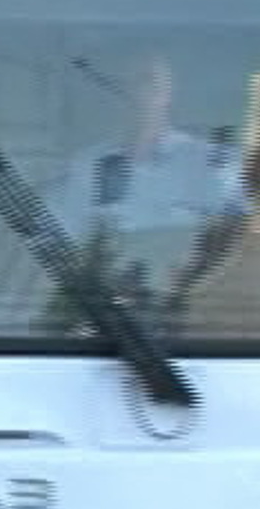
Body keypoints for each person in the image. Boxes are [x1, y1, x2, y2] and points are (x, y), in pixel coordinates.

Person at [51, 52, 248, 326]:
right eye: (128, 83)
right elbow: (60, 244)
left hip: (192, 317)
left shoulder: (210, 162)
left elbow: (233, 242)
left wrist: (188, 284)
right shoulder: (88, 165)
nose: (140, 94)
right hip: (106, 320)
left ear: (169, 93)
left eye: (150, 82)